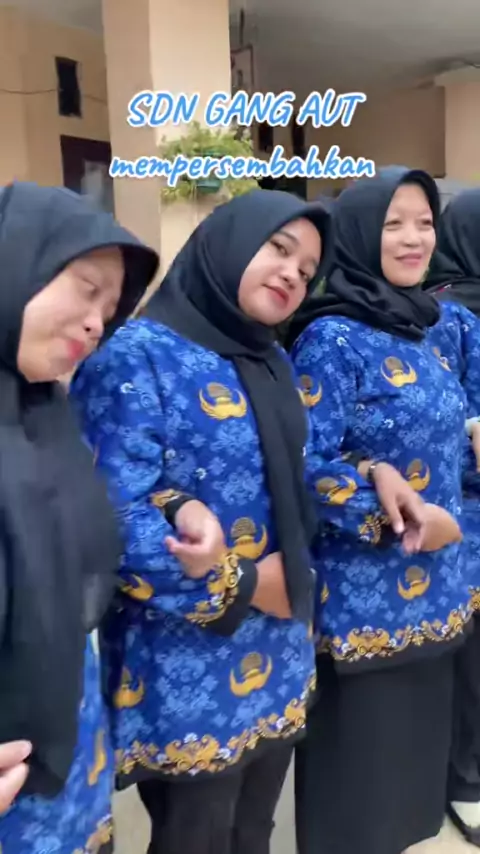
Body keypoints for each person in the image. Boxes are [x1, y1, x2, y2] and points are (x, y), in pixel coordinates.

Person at [69, 189, 333, 854]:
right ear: (227, 245)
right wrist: (243, 585)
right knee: (197, 838)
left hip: (281, 647)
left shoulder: (272, 359)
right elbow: (109, 511)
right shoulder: (135, 355)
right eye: (279, 250)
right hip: (185, 661)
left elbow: (294, 483)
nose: (291, 274)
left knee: (254, 831)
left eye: (306, 271)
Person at [287, 168, 480, 854]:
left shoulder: (427, 327)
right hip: (364, 603)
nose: (413, 238)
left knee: (406, 799)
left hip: (440, 594)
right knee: (358, 800)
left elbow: (447, 444)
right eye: (394, 223)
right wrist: (389, 507)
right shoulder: (332, 338)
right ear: (362, 233)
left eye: (425, 223)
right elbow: (304, 463)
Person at [0, 180, 159, 853]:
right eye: (86, 289)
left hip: (69, 757)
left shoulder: (44, 416)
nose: (97, 324)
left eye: (110, 310)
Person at [426, 189, 480, 846]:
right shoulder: (443, 315)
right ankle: (466, 780)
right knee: (472, 663)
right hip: (466, 515)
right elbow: (436, 423)